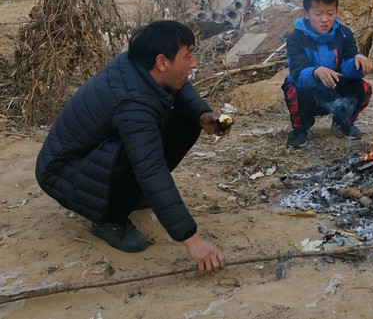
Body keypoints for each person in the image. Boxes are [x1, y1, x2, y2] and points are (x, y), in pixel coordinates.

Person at [35, 20, 229, 275]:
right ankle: (109, 218)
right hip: (62, 173)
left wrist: (202, 114)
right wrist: (193, 241)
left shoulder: (138, 66)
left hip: (88, 158)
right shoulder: (132, 105)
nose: (193, 63)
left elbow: (180, 87)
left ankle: (127, 194)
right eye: (188, 56)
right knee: (139, 155)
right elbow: (151, 170)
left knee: (187, 118)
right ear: (162, 62)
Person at [283, 0, 373, 148]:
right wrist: (316, 72)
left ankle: (342, 123)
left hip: (334, 91)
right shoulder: (296, 38)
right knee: (293, 90)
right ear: (306, 13)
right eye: (318, 13)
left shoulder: (343, 34)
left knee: (364, 88)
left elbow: (348, 61)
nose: (325, 19)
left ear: (337, 12)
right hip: (309, 93)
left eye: (330, 13)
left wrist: (357, 62)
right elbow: (298, 72)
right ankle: (300, 129)